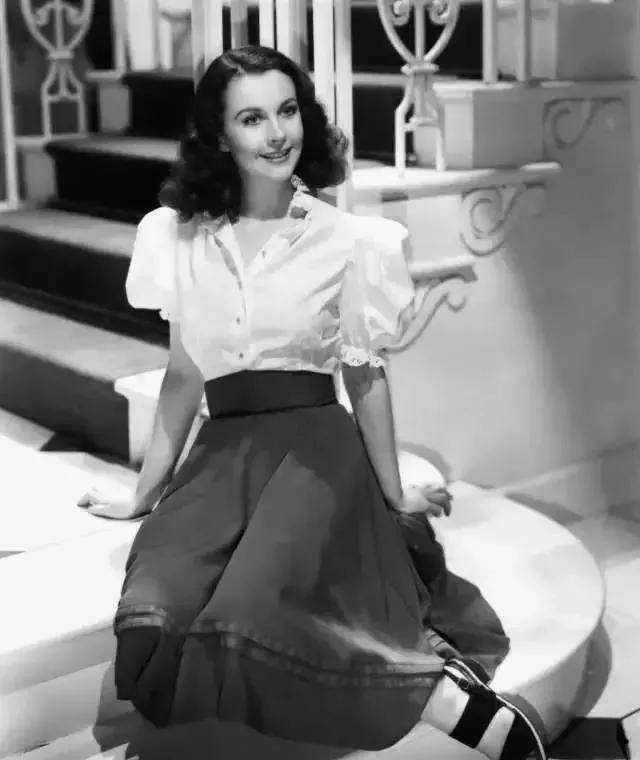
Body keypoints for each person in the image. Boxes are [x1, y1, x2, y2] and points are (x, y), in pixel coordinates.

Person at [78, 45, 546, 760]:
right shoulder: (176, 237)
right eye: (252, 118)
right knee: (152, 616)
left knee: (253, 610)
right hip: (221, 457)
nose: (277, 135)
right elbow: (182, 376)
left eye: (288, 111)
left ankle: (447, 700)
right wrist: (142, 495)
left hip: (315, 452)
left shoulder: (346, 239)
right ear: (219, 135)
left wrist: (394, 493)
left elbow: (365, 375)